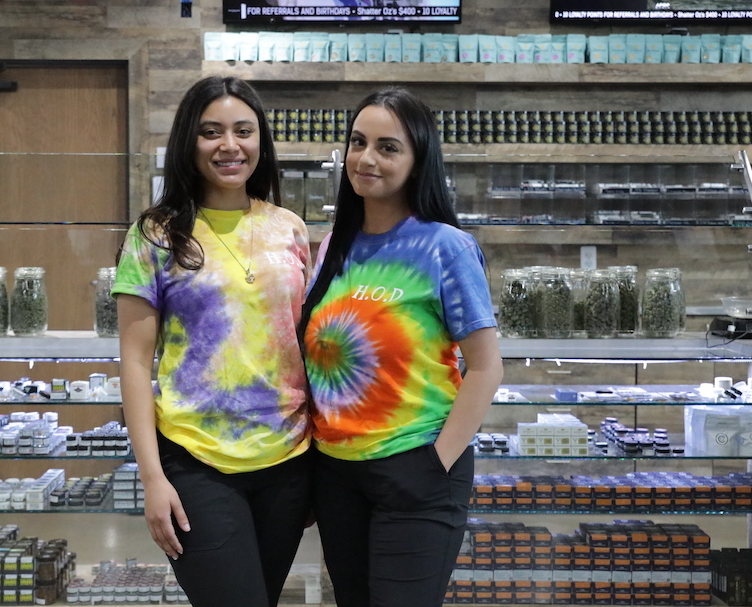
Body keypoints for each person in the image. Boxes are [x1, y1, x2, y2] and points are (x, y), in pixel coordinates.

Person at [298, 87, 504, 607]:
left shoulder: (445, 246)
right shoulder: (332, 247)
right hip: (337, 474)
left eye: (388, 147)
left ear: (418, 161)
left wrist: (436, 463)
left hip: (416, 467)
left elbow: (485, 367)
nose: (367, 158)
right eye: (358, 142)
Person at [113, 76, 313, 607]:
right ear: (189, 142)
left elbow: (306, 347)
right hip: (196, 460)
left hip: (288, 460)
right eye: (211, 132)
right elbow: (134, 362)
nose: (230, 145)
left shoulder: (289, 228)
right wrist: (151, 478)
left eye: (244, 131)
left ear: (261, 142)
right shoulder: (156, 233)